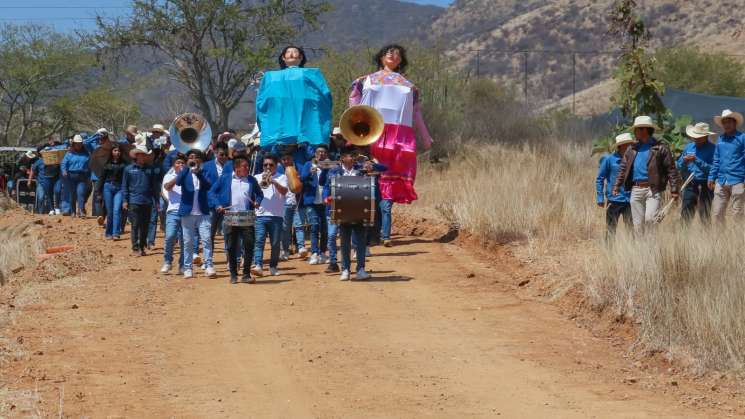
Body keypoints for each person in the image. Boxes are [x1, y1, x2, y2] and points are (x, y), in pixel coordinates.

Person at [349, 44, 434, 247]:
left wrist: (425, 136)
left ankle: (382, 232)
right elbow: (353, 105)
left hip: (399, 137)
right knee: (367, 181)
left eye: (397, 53)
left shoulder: (410, 86)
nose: (392, 54)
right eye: (388, 51)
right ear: (380, 57)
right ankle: (365, 232)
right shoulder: (364, 81)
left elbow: (416, 113)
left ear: (400, 60)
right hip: (370, 132)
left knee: (387, 184)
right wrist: (352, 132)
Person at [255, 45, 332, 169]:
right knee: (277, 171)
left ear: (301, 57)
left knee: (307, 172)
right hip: (278, 137)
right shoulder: (270, 76)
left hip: (306, 136)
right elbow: (262, 102)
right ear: (283, 58)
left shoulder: (312, 74)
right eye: (288, 52)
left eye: (295, 52)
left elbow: (324, 98)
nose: (291, 54)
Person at [324, 147, 385, 281]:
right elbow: (327, 186)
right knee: (345, 243)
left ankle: (361, 269)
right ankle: (345, 269)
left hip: (360, 210)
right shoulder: (335, 171)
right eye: (349, 156)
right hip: (343, 211)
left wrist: (372, 165)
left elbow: (384, 168)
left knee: (360, 242)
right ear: (342, 158)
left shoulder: (361, 169)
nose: (352, 158)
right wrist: (326, 197)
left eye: (353, 156)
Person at [612, 116, 680, 233]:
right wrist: (617, 185)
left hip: (652, 189)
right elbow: (623, 168)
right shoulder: (631, 149)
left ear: (644, 130)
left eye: (636, 129)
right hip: (636, 189)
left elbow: (671, 169)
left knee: (650, 220)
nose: (634, 132)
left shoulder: (661, 148)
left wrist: (674, 189)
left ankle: (651, 248)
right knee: (637, 225)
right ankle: (641, 250)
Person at [209, 156, 263, 284]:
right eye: (245, 166)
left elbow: (260, 194)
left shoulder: (251, 180)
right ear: (236, 168)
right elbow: (211, 192)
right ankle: (233, 274)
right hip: (231, 214)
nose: (247, 168)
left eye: (247, 166)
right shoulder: (225, 178)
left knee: (249, 245)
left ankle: (246, 274)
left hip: (247, 215)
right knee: (232, 246)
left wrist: (257, 202)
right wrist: (217, 205)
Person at [176, 149, 215, 279]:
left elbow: (208, 185)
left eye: (196, 157)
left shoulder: (204, 172)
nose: (193, 159)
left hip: (203, 212)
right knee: (187, 242)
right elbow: (178, 181)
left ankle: (209, 266)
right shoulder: (185, 172)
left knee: (206, 239)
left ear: (200, 160)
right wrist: (187, 168)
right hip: (187, 213)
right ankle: (188, 268)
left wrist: (198, 173)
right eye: (190, 157)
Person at [251, 154, 288, 277]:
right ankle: (258, 265)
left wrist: (274, 182)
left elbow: (284, 191)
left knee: (276, 243)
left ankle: (273, 266)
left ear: (276, 165)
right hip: (260, 215)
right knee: (259, 241)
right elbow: (252, 194)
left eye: (270, 165)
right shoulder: (256, 177)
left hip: (277, 216)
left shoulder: (282, 177)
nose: (267, 167)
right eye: (265, 165)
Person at [708, 109, 745, 223]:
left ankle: (736, 239)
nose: (726, 124)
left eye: (729, 122)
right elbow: (716, 159)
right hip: (721, 179)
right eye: (724, 122)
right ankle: (719, 239)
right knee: (717, 212)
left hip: (738, 180)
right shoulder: (720, 139)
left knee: (737, 213)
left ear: (735, 123)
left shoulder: (742, 138)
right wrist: (711, 177)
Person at [122, 144, 159, 256]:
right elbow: (124, 186)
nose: (143, 157)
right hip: (134, 201)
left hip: (147, 201)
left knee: (145, 225)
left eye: (145, 155)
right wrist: (125, 200)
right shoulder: (128, 169)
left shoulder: (151, 170)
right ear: (137, 156)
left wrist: (157, 201)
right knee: (135, 224)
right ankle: (135, 247)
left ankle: (142, 246)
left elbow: (154, 187)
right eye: (141, 155)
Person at [596, 133, 634, 237]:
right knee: (610, 229)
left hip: (630, 200)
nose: (630, 146)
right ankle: (609, 252)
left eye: (631, 144)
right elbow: (600, 178)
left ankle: (632, 251)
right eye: (628, 144)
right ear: (620, 146)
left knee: (632, 230)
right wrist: (600, 198)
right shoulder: (609, 159)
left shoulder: (633, 159)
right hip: (614, 200)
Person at [677, 122, 716, 224]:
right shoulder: (688, 147)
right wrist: (684, 161)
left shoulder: (713, 149)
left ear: (706, 136)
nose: (696, 139)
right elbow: (679, 166)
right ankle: (683, 237)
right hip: (690, 183)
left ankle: (706, 236)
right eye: (695, 136)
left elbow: (713, 169)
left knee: (705, 213)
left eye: (699, 137)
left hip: (706, 184)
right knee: (686, 212)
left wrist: (696, 160)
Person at [300, 145, 330, 265]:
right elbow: (302, 178)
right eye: (319, 152)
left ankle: (322, 253)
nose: (321, 154)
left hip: (325, 201)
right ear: (315, 154)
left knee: (324, 228)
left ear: (326, 154)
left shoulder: (328, 165)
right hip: (311, 201)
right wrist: (310, 173)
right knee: (314, 227)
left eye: (323, 152)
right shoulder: (308, 164)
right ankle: (314, 253)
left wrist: (327, 167)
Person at [203, 141, 233, 251]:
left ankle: (230, 259)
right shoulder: (206, 166)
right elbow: (204, 185)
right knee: (209, 233)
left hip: (228, 205)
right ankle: (208, 259)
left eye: (226, 154)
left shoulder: (233, 165)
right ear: (215, 153)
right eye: (221, 154)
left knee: (228, 234)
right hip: (211, 205)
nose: (224, 157)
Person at [160, 154, 187, 275]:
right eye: (178, 163)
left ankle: (182, 265)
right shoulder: (168, 176)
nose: (180, 165)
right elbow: (167, 187)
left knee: (184, 240)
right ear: (173, 165)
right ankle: (167, 261)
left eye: (182, 163)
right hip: (173, 211)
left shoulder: (190, 176)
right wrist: (179, 177)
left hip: (187, 212)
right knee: (170, 236)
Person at [279, 152, 307, 260]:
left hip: (298, 201)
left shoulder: (299, 168)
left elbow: (305, 180)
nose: (286, 161)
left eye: (288, 158)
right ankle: (285, 250)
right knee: (285, 228)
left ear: (292, 158)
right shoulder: (279, 171)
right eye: (283, 159)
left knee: (299, 225)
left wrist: (300, 179)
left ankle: (301, 247)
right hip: (285, 202)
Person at [98, 144, 127, 239]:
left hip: (119, 189)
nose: (117, 152)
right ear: (111, 152)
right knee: (110, 211)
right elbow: (101, 178)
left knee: (117, 210)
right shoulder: (106, 165)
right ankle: (108, 233)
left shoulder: (124, 165)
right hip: (108, 187)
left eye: (118, 151)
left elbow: (126, 179)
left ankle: (116, 233)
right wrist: (98, 192)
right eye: (115, 150)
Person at [60, 135, 92, 218]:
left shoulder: (86, 154)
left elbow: (90, 164)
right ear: (73, 144)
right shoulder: (69, 153)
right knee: (72, 194)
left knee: (80, 193)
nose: (78, 145)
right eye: (77, 143)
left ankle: (81, 210)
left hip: (82, 176)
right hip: (71, 176)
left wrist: (89, 174)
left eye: (80, 143)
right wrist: (64, 171)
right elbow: (63, 163)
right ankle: (73, 211)